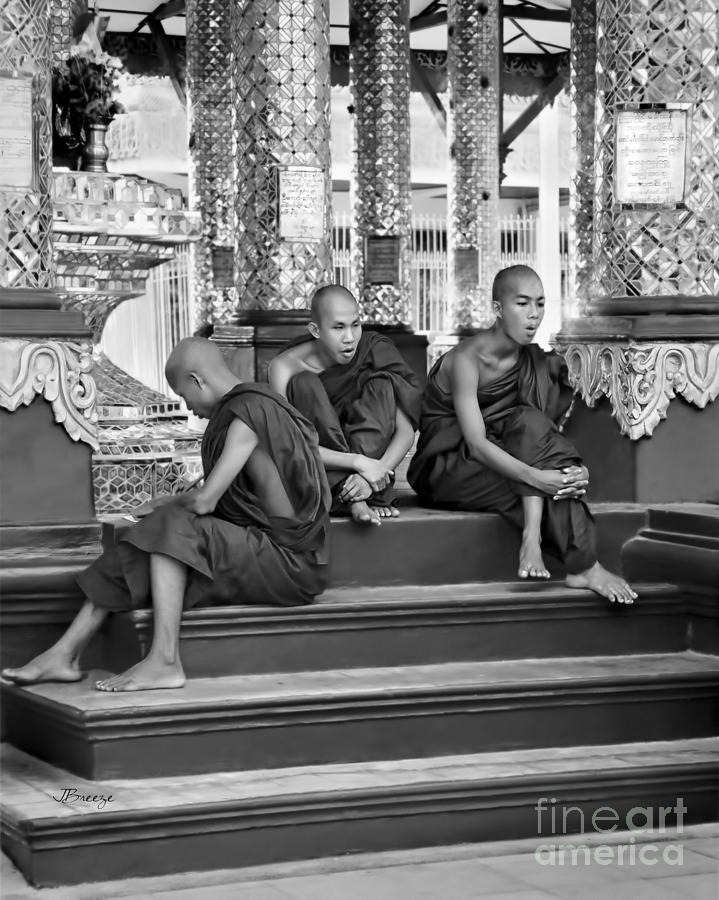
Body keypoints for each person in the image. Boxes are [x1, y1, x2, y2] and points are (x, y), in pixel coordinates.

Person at [2, 338, 331, 692]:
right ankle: (64, 653)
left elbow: (205, 502)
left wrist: (161, 504)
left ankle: (165, 659)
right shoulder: (247, 408)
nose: (188, 408)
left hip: (289, 562)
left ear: (197, 380)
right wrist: (165, 507)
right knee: (143, 541)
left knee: (170, 523)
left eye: (183, 395)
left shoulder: (249, 413)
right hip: (259, 548)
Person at [408, 265, 637, 604]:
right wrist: (541, 478)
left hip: (508, 454)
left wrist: (569, 470)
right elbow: (477, 443)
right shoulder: (465, 361)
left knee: (530, 426)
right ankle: (581, 562)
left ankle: (536, 538)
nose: (534, 316)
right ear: (498, 309)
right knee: (549, 481)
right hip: (450, 467)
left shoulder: (533, 360)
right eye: (523, 304)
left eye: (541, 304)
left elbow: (534, 431)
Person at [269, 284, 422, 527]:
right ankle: (350, 496)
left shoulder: (375, 349)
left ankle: (358, 494)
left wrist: (373, 474)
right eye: (338, 327)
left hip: (372, 471)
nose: (350, 338)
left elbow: (405, 433)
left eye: (356, 324)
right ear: (315, 330)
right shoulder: (285, 367)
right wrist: (357, 463)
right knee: (304, 383)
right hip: (321, 468)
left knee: (382, 384)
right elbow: (289, 445)